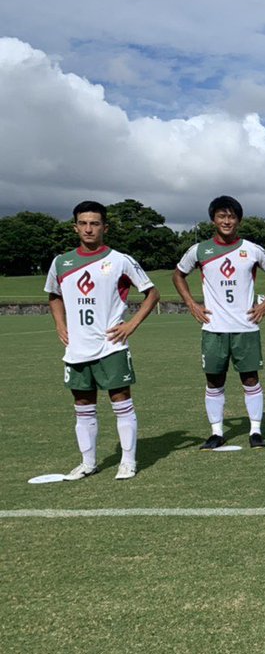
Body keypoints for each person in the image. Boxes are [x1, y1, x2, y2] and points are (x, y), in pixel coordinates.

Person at [45, 201, 159, 480]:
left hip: (111, 346)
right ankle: (88, 463)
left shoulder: (120, 259)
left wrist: (131, 325)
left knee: (120, 400)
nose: (88, 228)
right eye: (83, 223)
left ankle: (128, 461)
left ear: (104, 227)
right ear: (75, 227)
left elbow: (152, 294)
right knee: (83, 406)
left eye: (94, 223)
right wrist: (60, 325)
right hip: (77, 349)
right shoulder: (62, 262)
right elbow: (53, 295)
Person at [173, 195, 265, 450]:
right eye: (222, 216)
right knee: (214, 381)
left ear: (239, 220)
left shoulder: (253, 249)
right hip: (213, 329)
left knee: (250, 379)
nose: (227, 221)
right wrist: (192, 304)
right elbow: (178, 275)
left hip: (245, 327)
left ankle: (256, 431)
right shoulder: (200, 250)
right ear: (213, 219)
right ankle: (216, 432)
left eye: (231, 216)